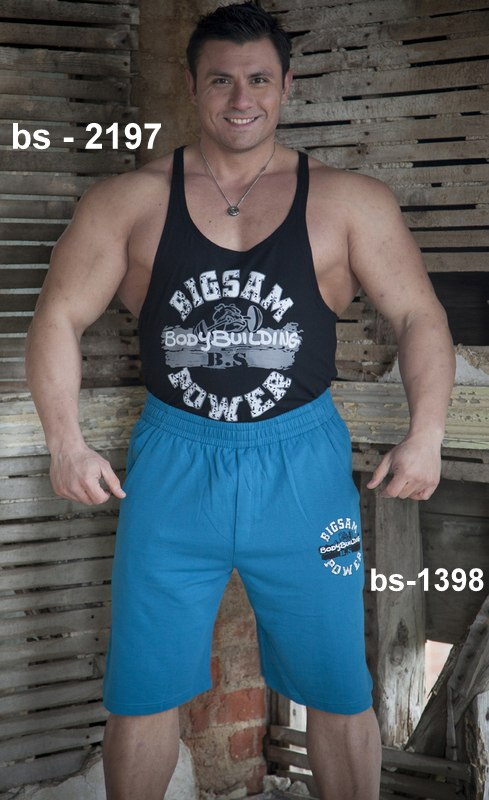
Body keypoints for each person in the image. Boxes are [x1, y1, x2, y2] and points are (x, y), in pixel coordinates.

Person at [25, 3, 455, 799]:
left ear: (286, 85)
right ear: (193, 87)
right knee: (140, 693)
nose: (240, 98)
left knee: (337, 687)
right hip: (172, 461)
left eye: (257, 79)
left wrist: (425, 432)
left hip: (302, 465)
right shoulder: (128, 201)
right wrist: (65, 442)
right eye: (220, 80)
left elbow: (418, 316)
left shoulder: (348, 202)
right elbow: (57, 316)